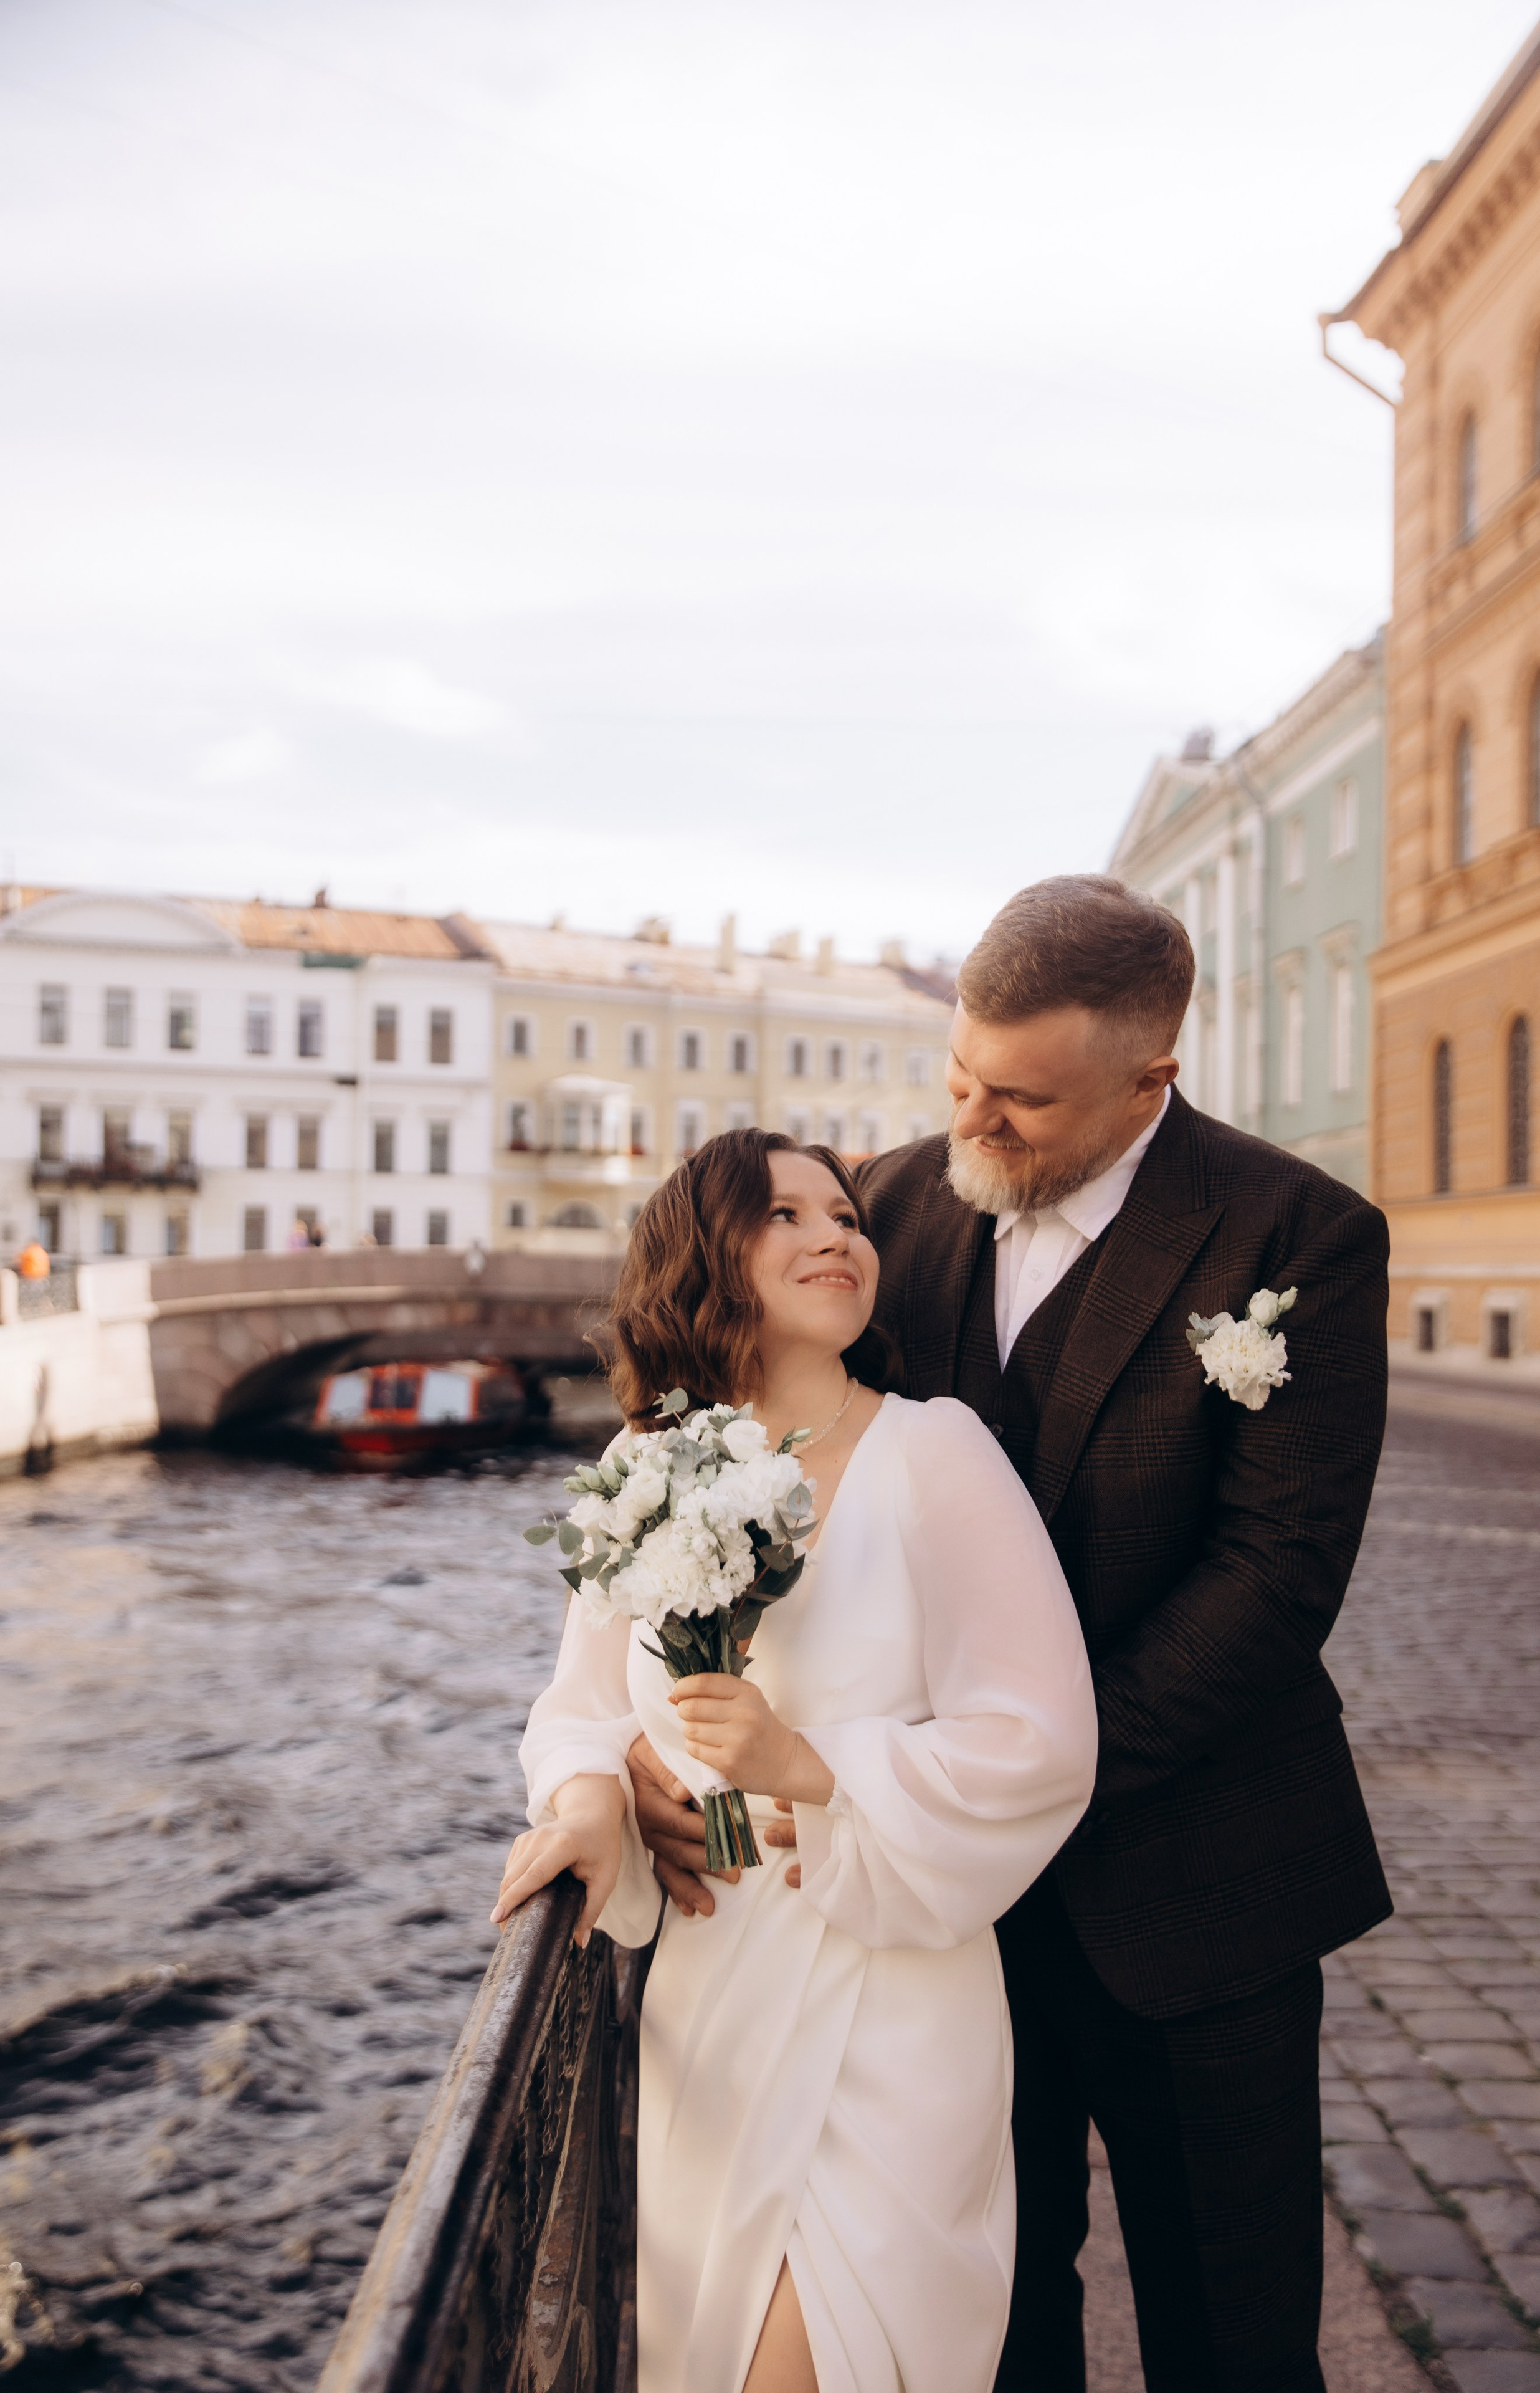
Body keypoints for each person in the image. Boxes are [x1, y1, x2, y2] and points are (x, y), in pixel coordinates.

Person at [630, 876, 1392, 2393]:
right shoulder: (883, 1209)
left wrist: (1012, 1773)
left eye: (1022, 1103)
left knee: (1229, 2342)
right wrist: (642, 1758)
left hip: (1195, 1890)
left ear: (1147, 1080)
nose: (974, 1122)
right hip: (921, 1929)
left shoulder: (1297, 1231)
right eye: (960, 1077)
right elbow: (737, 1470)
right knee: (987, 2329)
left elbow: (1273, 1576)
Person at [497, 1130, 1098, 2393]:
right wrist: (593, 1794)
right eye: (785, 1215)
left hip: (894, 1989)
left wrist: (809, 1763)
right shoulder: (639, 1469)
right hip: (710, 1987)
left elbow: (1041, 1739)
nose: (835, 1235)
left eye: (845, 1214)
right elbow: (579, 1703)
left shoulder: (936, 1455)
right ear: (705, 1254)